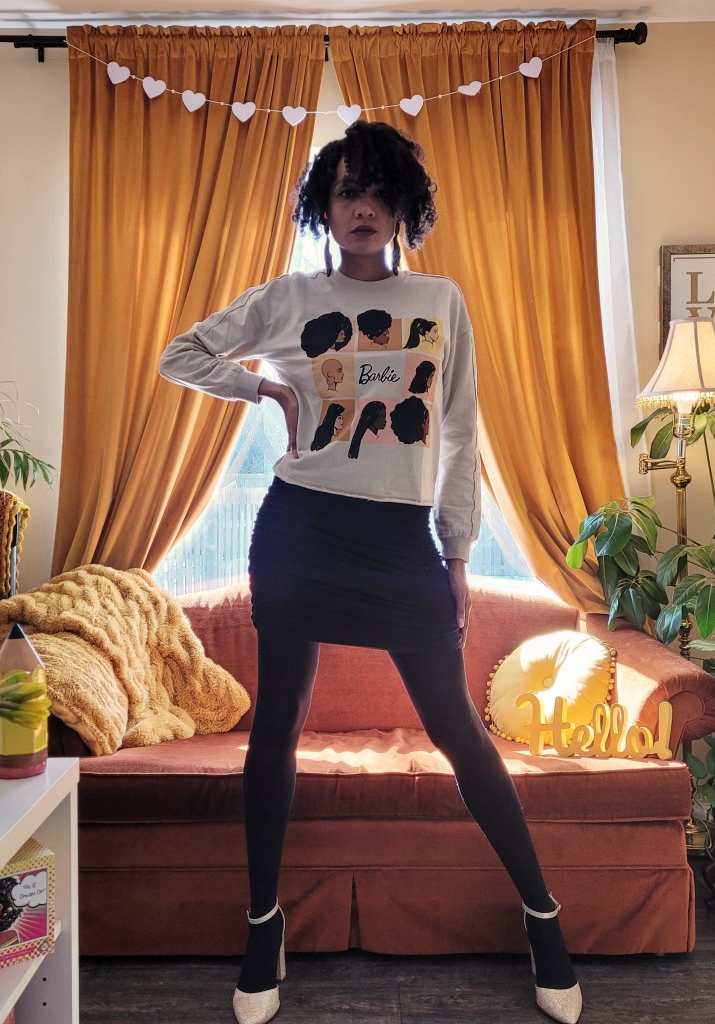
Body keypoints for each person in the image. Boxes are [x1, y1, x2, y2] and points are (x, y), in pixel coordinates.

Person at [159, 120, 581, 1024]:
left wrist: (457, 552)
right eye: (347, 190)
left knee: (458, 732)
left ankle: (543, 917)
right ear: (324, 204)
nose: (363, 207)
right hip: (300, 530)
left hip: (398, 544)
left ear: (403, 207)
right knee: (277, 725)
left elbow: (460, 431)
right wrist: (266, 387)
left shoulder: (439, 300)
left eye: (379, 192)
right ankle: (263, 927)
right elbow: (179, 355)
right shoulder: (289, 297)